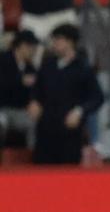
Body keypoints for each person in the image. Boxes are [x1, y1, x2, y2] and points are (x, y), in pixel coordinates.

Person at [28, 23, 103, 165]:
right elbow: (37, 89)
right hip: (45, 131)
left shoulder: (83, 68)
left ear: (70, 42)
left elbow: (97, 97)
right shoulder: (47, 65)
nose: (54, 43)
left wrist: (79, 111)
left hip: (69, 133)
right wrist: (34, 101)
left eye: (58, 39)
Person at [0, 29, 38, 151]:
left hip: (18, 111)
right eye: (30, 46)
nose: (33, 50)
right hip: (2, 108)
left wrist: (33, 102)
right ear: (21, 45)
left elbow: (36, 91)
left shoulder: (30, 67)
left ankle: (33, 160)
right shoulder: (3, 60)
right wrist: (20, 81)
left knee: (35, 123)